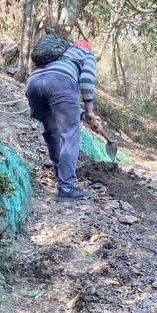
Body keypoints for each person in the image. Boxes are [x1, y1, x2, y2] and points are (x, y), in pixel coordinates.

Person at [26, 38, 103, 201]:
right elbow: (87, 80)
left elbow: (61, 106)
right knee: (70, 135)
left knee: (52, 131)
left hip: (33, 83)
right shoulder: (87, 54)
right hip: (60, 82)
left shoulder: (57, 53)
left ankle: (61, 176)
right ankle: (66, 187)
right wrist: (89, 109)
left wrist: (82, 114)